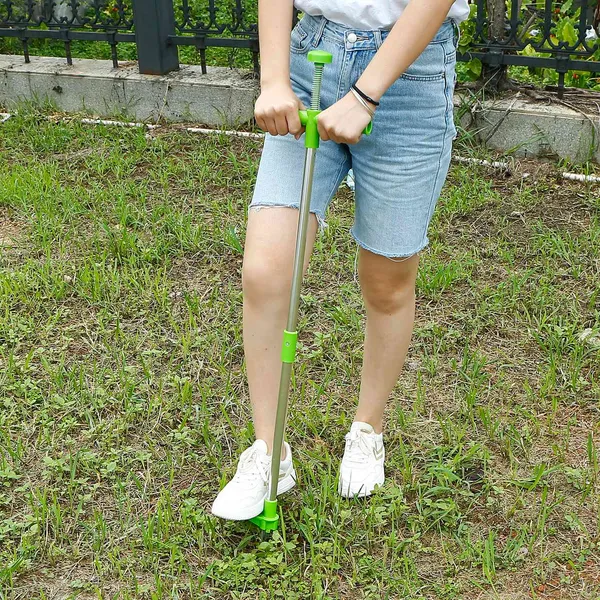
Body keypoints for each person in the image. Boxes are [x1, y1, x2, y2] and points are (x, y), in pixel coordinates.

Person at [211, 0, 469, 520]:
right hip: (311, 61)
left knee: (386, 282)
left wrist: (365, 95)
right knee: (266, 271)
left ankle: (368, 428)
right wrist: (273, 78)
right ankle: (268, 452)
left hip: (411, 76)